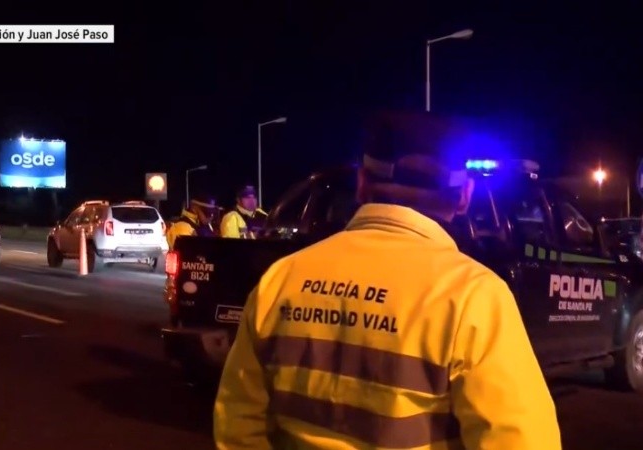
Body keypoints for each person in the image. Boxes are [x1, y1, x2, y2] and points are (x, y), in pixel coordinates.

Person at [214, 111, 561, 450]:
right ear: (463, 196)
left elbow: (237, 422)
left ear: (363, 183)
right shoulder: (473, 296)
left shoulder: (281, 279)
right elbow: (521, 440)